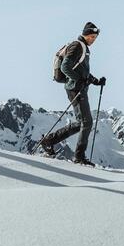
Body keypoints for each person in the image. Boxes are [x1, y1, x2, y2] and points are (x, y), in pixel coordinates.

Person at [38, 22, 105, 165]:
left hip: (77, 87)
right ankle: (79, 157)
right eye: (91, 36)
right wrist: (79, 80)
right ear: (85, 34)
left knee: (81, 123)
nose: (93, 39)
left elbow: (81, 69)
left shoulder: (83, 47)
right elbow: (65, 67)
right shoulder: (77, 46)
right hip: (75, 88)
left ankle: (49, 141)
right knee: (87, 122)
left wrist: (95, 81)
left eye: (95, 37)